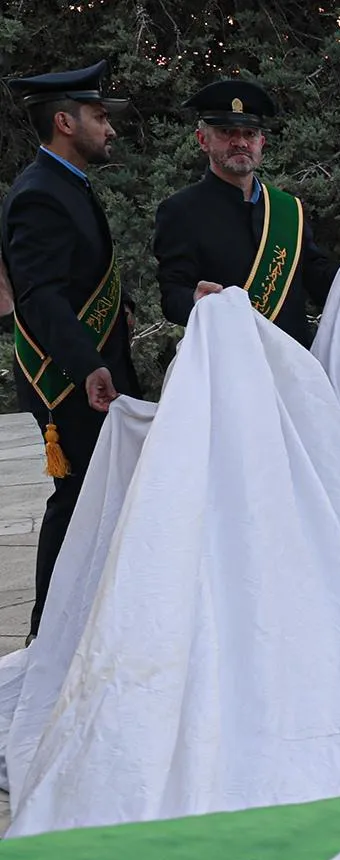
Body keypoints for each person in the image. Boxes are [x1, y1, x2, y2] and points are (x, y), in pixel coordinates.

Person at [2, 60, 142, 638]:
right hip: (69, 379)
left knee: (99, 496)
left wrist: (123, 303)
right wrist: (88, 367)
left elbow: (81, 270)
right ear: (65, 122)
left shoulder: (67, 183)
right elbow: (40, 296)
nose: (109, 128)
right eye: (99, 116)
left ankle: (89, 622)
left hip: (93, 367)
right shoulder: (40, 194)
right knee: (79, 497)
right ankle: (50, 631)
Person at [152, 79, 339, 348]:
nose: (240, 142)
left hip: (294, 363)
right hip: (228, 360)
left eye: (249, 134)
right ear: (202, 140)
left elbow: (319, 281)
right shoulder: (180, 211)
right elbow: (172, 296)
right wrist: (195, 300)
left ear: (261, 142)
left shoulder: (288, 208)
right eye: (227, 132)